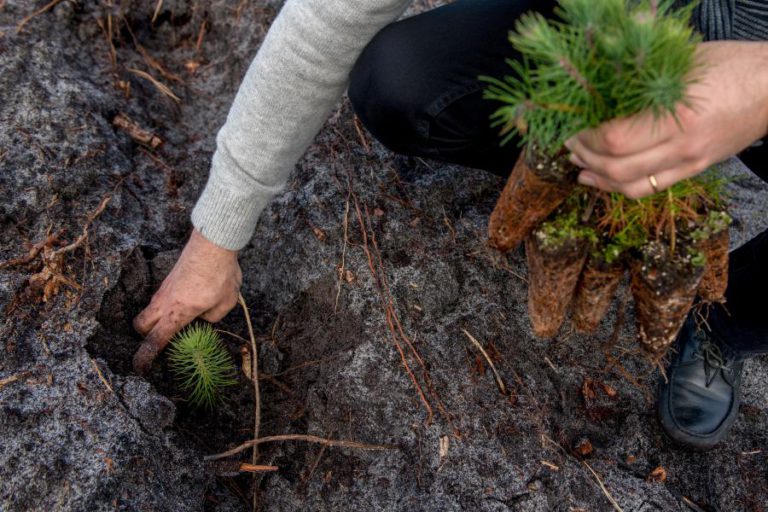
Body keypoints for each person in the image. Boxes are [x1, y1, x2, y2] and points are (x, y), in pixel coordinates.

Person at [132, 0, 768, 450]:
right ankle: (583, 174)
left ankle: (726, 323)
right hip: (596, 37)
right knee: (401, 79)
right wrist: (216, 237)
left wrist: (758, 85)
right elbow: (321, 23)